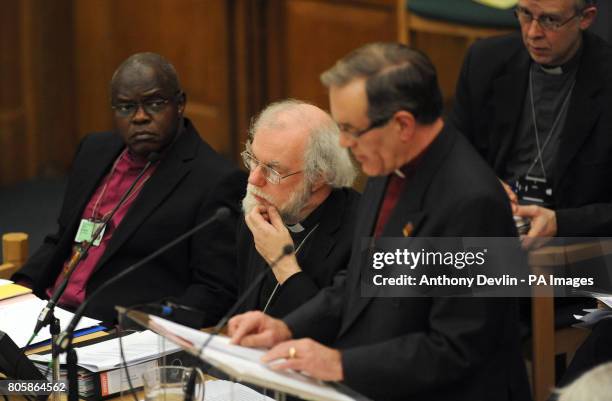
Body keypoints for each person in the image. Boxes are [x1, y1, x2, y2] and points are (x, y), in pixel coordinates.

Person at [228, 43, 531, 401]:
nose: (342, 143)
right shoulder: (385, 166)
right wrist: (286, 327)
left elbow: (456, 348)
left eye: (351, 129)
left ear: (402, 124)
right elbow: (362, 278)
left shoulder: (473, 201)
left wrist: (340, 364)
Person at [12, 52, 246, 324]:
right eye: (126, 107)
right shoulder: (94, 150)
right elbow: (64, 237)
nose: (140, 117)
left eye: (155, 103)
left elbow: (214, 291)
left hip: (113, 334)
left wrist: (140, 327)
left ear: (180, 103)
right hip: (49, 312)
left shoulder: (214, 179)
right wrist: (19, 292)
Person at [450, 0, 611, 249]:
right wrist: (483, 184)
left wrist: (561, 222)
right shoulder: (484, 60)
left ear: (586, 18)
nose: (533, 33)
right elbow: (453, 152)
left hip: (576, 242)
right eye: (525, 14)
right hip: (491, 222)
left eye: (550, 20)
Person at [237, 99, 359, 318]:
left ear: (319, 176)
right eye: (253, 159)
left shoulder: (364, 231)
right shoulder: (259, 207)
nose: (254, 179)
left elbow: (338, 331)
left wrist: (283, 264)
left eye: (273, 170)